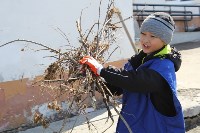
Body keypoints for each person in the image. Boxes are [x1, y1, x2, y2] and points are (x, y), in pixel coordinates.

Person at [79, 12, 185, 133]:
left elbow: (135, 81)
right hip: (134, 126)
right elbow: (119, 87)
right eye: (143, 33)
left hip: (157, 127)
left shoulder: (164, 66)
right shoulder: (139, 60)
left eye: (153, 36)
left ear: (164, 40)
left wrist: (101, 70)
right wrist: (94, 79)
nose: (146, 40)